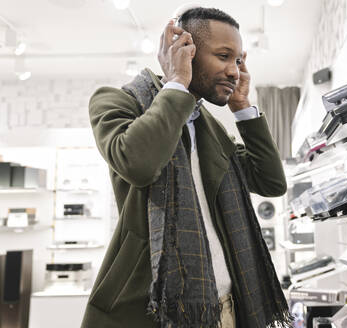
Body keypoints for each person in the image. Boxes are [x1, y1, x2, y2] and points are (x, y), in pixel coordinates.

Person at [81, 6, 292, 328]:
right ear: (185, 51)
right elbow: (138, 164)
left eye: (238, 60)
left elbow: (270, 182)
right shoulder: (116, 101)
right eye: (223, 56)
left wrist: (243, 108)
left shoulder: (210, 128)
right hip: (154, 308)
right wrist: (177, 81)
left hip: (230, 307)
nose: (235, 71)